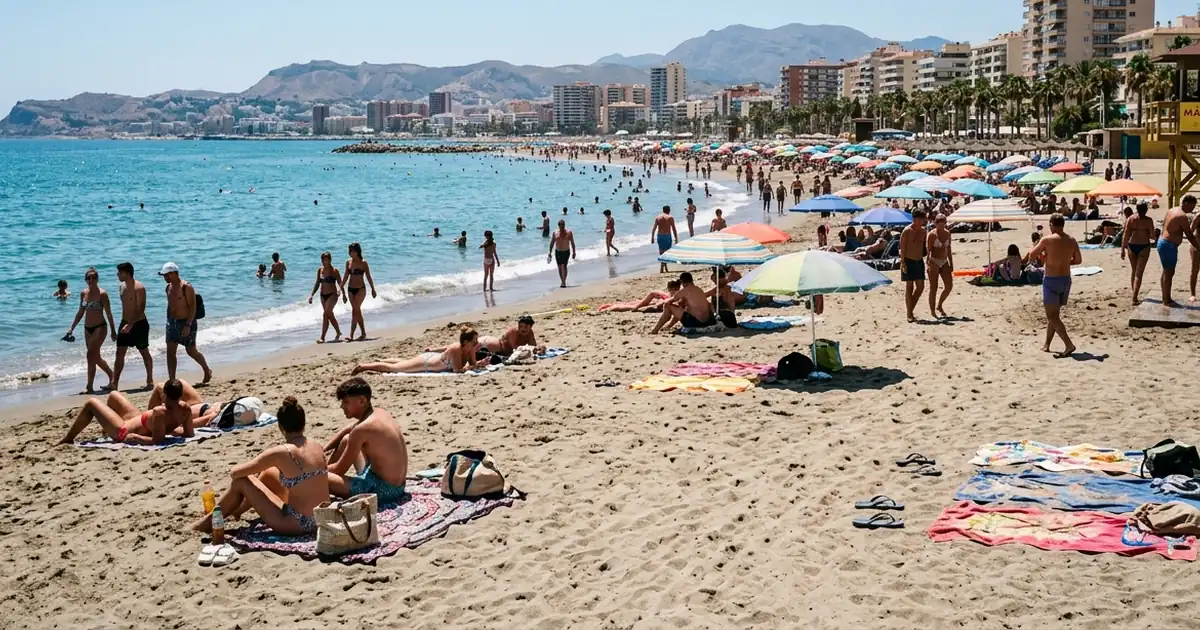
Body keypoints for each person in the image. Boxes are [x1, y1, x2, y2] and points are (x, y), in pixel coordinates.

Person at [192, 397, 328, 536]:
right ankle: (237, 512)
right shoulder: (315, 444)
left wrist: (256, 468)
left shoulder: (282, 452)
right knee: (269, 473)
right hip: (322, 519)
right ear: (303, 423)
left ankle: (208, 523)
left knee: (242, 481)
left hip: (299, 524)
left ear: (281, 427)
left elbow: (235, 473)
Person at [324, 378, 409, 503]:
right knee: (347, 439)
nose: (342, 406)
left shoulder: (362, 430)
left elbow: (339, 469)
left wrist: (316, 470)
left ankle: (321, 483)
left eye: (346, 402)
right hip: (398, 485)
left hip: (383, 491)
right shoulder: (380, 413)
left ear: (362, 400)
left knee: (319, 478)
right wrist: (325, 449)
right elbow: (348, 429)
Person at [59, 378, 208, 445]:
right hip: (139, 419)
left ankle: (68, 438)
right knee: (113, 395)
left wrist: (136, 437)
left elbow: (157, 441)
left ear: (164, 395)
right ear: (181, 396)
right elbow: (189, 434)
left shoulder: (159, 412)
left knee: (91, 403)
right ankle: (106, 427)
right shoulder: (185, 409)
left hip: (123, 430)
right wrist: (171, 430)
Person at [1027, 213, 1081, 356]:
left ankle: (1069, 345)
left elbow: (1032, 255)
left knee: (1052, 316)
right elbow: (1078, 260)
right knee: (1054, 314)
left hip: (1051, 280)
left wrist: (1042, 254)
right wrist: (1062, 260)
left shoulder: (1047, 240)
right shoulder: (1071, 240)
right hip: (1065, 279)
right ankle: (1047, 344)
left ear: (1052, 224)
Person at [65, 267, 116, 394]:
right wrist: (71, 328)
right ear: (85, 280)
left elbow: (109, 314)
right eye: (89, 278)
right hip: (87, 328)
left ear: (97, 279)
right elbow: (80, 312)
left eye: (93, 277)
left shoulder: (102, 294)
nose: (91, 280)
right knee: (94, 357)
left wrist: (113, 331)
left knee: (90, 355)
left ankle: (89, 386)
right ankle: (112, 377)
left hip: (100, 327)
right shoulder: (84, 293)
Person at [352, 326, 484, 374]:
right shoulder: (456, 349)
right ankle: (363, 366)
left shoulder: (470, 348)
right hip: (426, 363)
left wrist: (480, 363)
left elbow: (472, 364)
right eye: (474, 341)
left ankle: (380, 360)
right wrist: (471, 367)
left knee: (404, 362)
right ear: (466, 342)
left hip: (432, 358)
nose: (477, 343)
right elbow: (458, 371)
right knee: (396, 368)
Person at [160, 262, 212, 384]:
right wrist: (168, 322)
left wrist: (188, 325)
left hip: (187, 322)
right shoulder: (168, 288)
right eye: (164, 275)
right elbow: (170, 305)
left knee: (191, 351)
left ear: (175, 273)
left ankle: (206, 369)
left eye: (167, 275)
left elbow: (193, 307)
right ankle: (171, 380)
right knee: (170, 352)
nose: (165, 278)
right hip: (172, 323)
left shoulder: (186, 287)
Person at [113, 262, 153, 391]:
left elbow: (141, 308)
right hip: (124, 322)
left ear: (127, 273)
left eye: (120, 272)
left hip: (139, 324)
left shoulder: (139, 288)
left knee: (143, 351)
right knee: (119, 352)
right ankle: (114, 383)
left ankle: (150, 380)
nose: (118, 274)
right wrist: (126, 324)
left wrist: (131, 324)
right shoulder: (121, 287)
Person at [1160, 195, 1200, 307]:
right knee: (1168, 273)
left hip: (1164, 242)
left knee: (1167, 272)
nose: (1192, 209)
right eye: (1192, 206)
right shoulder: (1182, 216)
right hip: (1169, 245)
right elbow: (1190, 234)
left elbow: (1164, 225)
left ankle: (1166, 298)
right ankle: (1166, 300)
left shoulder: (1172, 210)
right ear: (1186, 203)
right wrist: (1198, 247)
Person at [650, 272, 716, 334]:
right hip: (708, 321)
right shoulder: (699, 290)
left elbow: (669, 302)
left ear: (682, 282)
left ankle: (655, 330)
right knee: (681, 305)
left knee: (668, 306)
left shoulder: (684, 291)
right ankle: (668, 326)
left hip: (696, 322)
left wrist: (662, 304)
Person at [308, 251, 345, 343]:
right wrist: (311, 295)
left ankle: (322, 337)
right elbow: (317, 283)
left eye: (326, 259)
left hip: (332, 295)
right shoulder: (320, 270)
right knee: (329, 314)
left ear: (330, 260)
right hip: (322, 295)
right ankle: (338, 332)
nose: (324, 261)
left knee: (326, 314)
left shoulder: (334, 271)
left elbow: (340, 283)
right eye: (323, 259)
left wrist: (343, 293)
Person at [1122, 202, 1155, 305]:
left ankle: (1134, 293)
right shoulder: (1148, 220)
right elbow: (1152, 236)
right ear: (1146, 210)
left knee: (1134, 271)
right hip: (1143, 246)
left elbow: (1126, 235)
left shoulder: (1130, 219)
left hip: (1131, 246)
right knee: (1138, 273)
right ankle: (1135, 297)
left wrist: (1122, 249)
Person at [344, 242, 377, 341]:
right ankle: (360, 333)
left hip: (360, 289)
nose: (351, 253)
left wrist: (373, 289)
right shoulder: (348, 262)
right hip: (350, 289)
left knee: (356, 310)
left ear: (358, 251)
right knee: (355, 311)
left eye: (353, 251)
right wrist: (340, 288)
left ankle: (354, 334)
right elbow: (345, 276)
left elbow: (368, 276)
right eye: (350, 251)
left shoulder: (363, 263)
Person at [900, 209, 928, 323]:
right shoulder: (907, 231)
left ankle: (910, 309)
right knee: (909, 286)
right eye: (921, 219)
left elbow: (924, 247)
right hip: (908, 260)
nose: (923, 221)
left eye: (923, 219)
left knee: (920, 287)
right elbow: (902, 248)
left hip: (919, 260)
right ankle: (909, 313)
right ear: (915, 219)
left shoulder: (923, 231)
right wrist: (902, 262)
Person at [925, 214, 954, 319]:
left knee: (949, 286)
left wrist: (951, 262)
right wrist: (928, 264)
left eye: (943, 224)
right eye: (940, 225)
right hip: (934, 261)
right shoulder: (931, 235)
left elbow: (949, 249)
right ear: (936, 224)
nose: (942, 227)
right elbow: (928, 251)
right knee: (934, 287)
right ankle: (932, 310)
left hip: (944, 260)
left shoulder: (947, 233)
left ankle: (940, 305)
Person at [599, 281, 681, 313]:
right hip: (662, 299)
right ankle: (611, 307)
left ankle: (611, 307)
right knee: (636, 304)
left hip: (662, 300)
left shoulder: (675, 295)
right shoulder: (677, 294)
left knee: (635, 304)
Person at [548, 219, 576, 288]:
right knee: (560, 266)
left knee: (565, 266)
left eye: (563, 225)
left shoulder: (569, 232)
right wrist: (549, 252)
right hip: (558, 251)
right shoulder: (555, 233)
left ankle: (564, 281)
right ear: (558, 225)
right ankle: (562, 281)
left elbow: (572, 243)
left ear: (564, 225)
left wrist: (574, 252)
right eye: (561, 225)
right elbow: (552, 243)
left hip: (566, 251)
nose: (562, 226)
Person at [651, 206, 678, 274]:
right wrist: (676, 238)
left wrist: (652, 237)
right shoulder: (670, 217)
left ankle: (664, 267)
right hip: (667, 236)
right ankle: (662, 267)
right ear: (669, 210)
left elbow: (654, 228)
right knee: (666, 253)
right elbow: (673, 228)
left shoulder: (658, 217)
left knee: (661, 252)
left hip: (659, 236)